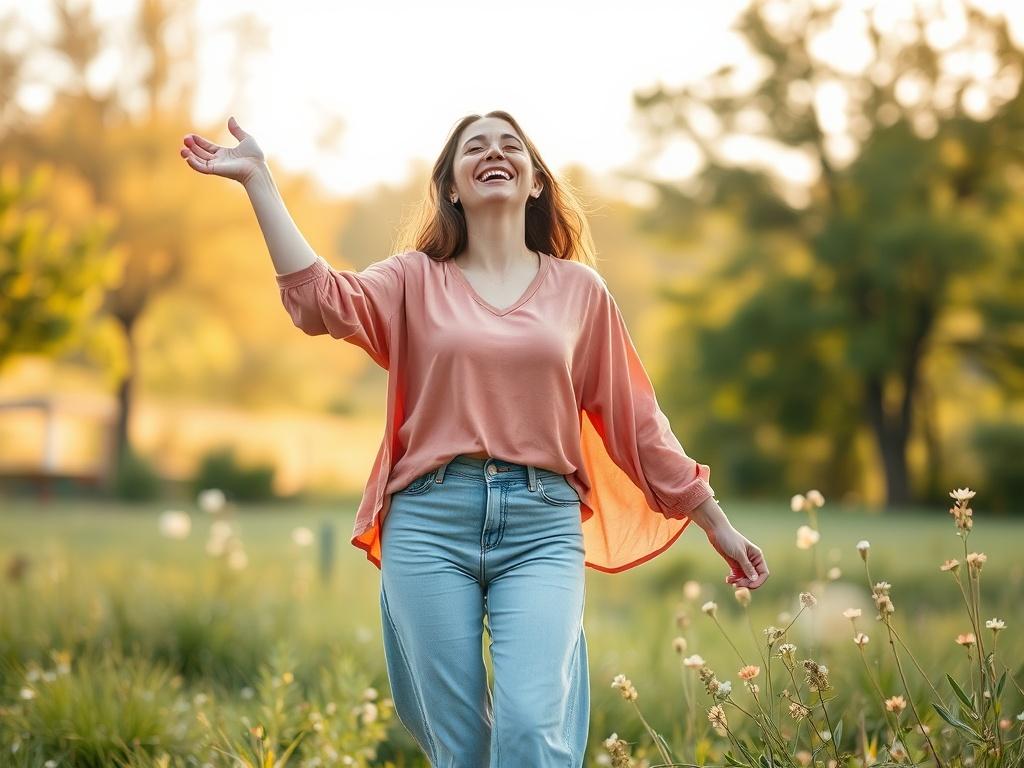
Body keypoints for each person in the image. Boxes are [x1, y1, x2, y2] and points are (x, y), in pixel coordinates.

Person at [180, 111, 770, 767]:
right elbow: (320, 302)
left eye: (510, 145)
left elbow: (636, 418)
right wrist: (259, 180)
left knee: (528, 733)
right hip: (429, 521)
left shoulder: (579, 291)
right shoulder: (413, 280)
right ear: (452, 187)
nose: (495, 153)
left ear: (536, 182)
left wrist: (713, 521)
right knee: (461, 750)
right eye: (475, 148)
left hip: (541, 524)